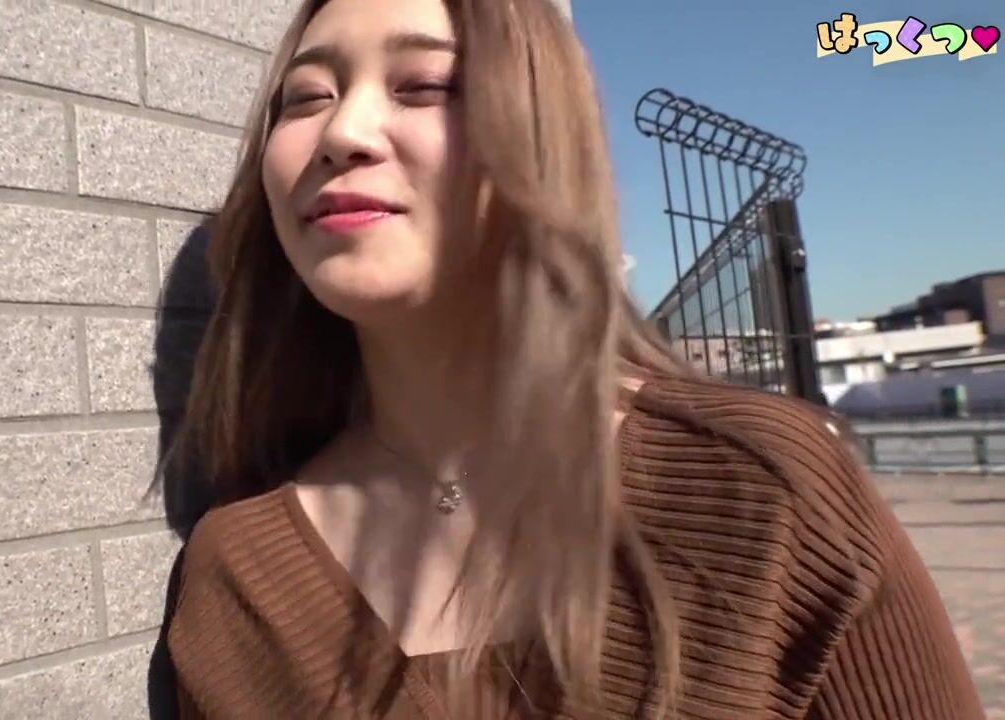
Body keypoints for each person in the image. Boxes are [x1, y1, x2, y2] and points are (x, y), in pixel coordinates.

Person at [147, 0, 986, 717]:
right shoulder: (236, 578)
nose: (343, 131)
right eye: (305, 97)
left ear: (545, 139)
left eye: (424, 84)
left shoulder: (766, 492)